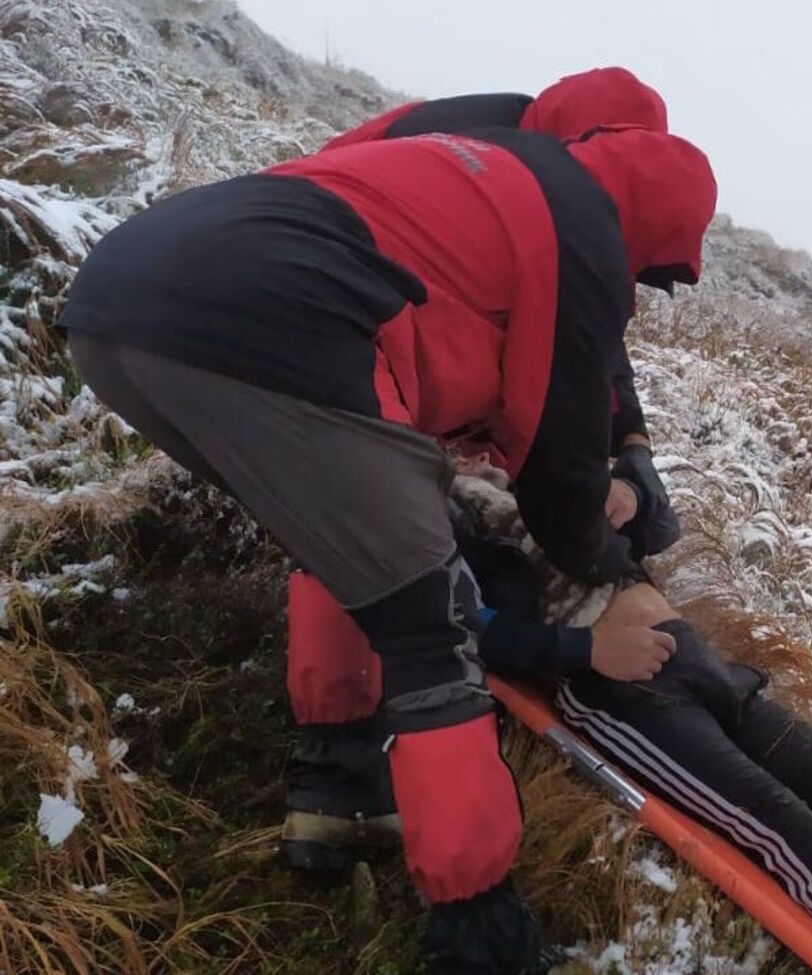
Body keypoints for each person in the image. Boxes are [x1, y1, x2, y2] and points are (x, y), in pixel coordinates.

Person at [57, 119, 716, 973]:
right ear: (650, 221)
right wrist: (603, 556)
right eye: (648, 269)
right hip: (277, 324)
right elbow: (556, 476)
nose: (633, 284)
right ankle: (480, 934)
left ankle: (338, 798)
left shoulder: (482, 163)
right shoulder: (578, 226)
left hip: (120, 306)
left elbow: (453, 343)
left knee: (341, 535)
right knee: (429, 626)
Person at [276, 66, 680, 884]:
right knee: (414, 589)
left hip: (284, 292)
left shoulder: (504, 148)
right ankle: (461, 888)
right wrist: (598, 575)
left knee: (341, 525)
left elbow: (588, 329)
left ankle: (334, 779)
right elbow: (562, 342)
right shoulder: (523, 177)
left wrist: (629, 442)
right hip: (341, 311)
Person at [437, 469, 812, 975]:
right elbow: (458, 625)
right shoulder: (431, 516)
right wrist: (584, 649)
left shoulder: (543, 462)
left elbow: (658, 520)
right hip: (623, 691)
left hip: (703, 663)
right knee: (785, 829)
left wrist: (629, 491)